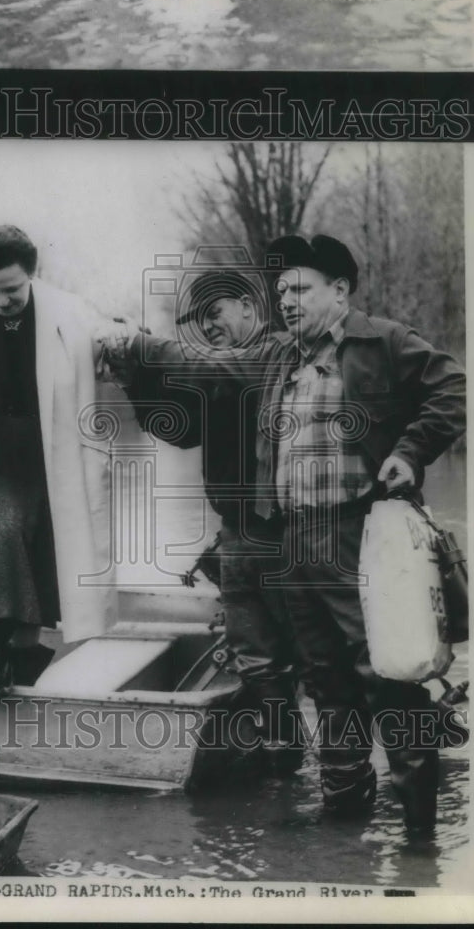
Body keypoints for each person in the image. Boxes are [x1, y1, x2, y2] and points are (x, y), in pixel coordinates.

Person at [104, 234, 466, 837]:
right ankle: (345, 814)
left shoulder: (385, 341)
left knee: (390, 679)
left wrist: (411, 451)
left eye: (300, 289)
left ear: (340, 290)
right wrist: (134, 353)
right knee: (327, 681)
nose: (289, 302)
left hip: (360, 538)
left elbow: (452, 388)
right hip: (296, 542)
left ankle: (422, 838)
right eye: (282, 293)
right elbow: (201, 370)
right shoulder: (276, 356)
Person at [120, 270, 303, 776]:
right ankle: (285, 762)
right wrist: (131, 377)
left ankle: (347, 769)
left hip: (289, 535)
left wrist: (142, 347)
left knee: (313, 656)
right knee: (257, 658)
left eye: (213, 313)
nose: (207, 326)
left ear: (247, 305)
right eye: (198, 321)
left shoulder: (278, 355)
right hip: (238, 534)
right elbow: (180, 432)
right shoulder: (220, 372)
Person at [0, 225, 115, 698]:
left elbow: (110, 345)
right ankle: (1, 653)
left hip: (51, 457)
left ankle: (18, 657)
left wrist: (123, 344)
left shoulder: (69, 311)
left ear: (30, 275)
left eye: (11, 290)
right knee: (2, 539)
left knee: (39, 551)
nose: (2, 301)